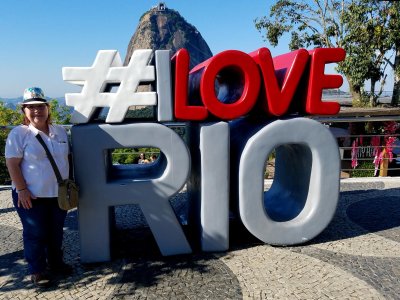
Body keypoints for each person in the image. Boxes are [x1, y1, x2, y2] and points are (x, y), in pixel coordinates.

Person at [5, 87, 72, 287]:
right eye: (31, 107)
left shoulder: (59, 131)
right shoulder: (19, 134)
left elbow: (68, 158)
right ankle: (37, 270)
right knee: (35, 233)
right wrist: (22, 190)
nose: (37, 111)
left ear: (47, 108)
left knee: (56, 232)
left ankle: (56, 264)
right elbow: (12, 164)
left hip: (57, 194)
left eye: (40, 106)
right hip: (30, 195)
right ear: (24, 111)